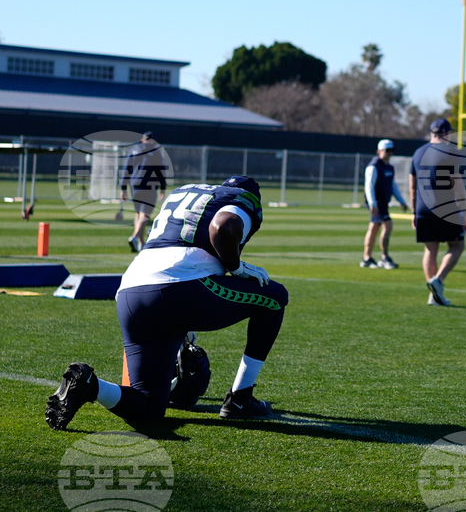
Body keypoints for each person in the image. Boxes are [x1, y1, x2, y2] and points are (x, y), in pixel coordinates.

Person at [46, 176, 289, 430]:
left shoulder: (185, 191)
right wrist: (237, 268)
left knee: (148, 409)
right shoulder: (240, 197)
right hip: (180, 288)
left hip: (130, 291)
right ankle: (240, 399)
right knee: (275, 298)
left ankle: (90, 385)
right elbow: (224, 227)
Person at [409, 119, 466, 307]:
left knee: (430, 250)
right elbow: (457, 184)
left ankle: (433, 295)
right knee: (457, 245)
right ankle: (439, 281)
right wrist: (465, 212)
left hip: (422, 209)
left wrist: (413, 212)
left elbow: (411, 185)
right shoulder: (449, 152)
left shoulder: (418, 153)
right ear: (445, 133)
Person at [361, 139, 409, 269]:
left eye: (391, 151)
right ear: (379, 151)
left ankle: (366, 258)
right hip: (377, 203)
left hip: (383, 202)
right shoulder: (374, 166)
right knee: (388, 226)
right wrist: (372, 203)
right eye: (387, 151)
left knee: (374, 228)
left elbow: (393, 186)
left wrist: (402, 201)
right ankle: (384, 257)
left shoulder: (389, 167)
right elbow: (369, 186)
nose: (390, 153)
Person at [121, 132, 167, 252]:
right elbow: (160, 172)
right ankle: (135, 237)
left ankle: (141, 243)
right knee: (145, 214)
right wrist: (163, 188)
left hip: (134, 185)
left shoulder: (134, 150)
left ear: (143, 140)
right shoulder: (156, 152)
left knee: (138, 213)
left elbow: (126, 169)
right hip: (149, 185)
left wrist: (123, 188)